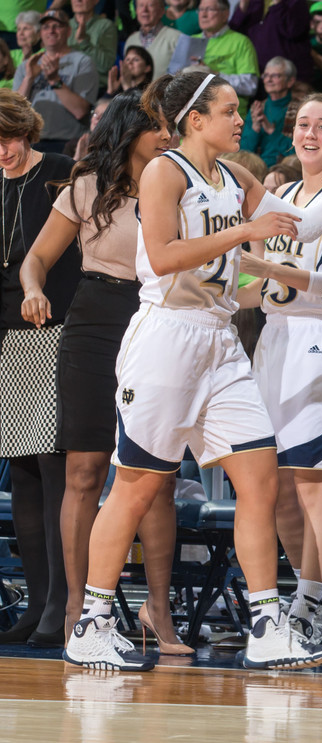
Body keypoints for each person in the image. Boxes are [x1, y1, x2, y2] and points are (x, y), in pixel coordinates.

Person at [61, 70, 322, 671]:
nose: (242, 121)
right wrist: (244, 232)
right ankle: (93, 619)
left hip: (221, 341)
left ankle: (267, 624)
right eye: (231, 111)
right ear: (195, 119)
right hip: (166, 339)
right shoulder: (164, 172)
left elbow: (305, 226)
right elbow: (161, 256)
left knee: (260, 479)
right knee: (135, 487)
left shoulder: (237, 175)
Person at [18, 89, 189, 653]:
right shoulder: (85, 187)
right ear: (130, 131)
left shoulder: (181, 184)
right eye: (158, 128)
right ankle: (76, 609)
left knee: (153, 479)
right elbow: (37, 258)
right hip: (92, 322)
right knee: (84, 473)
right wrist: (34, 289)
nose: (168, 136)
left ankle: (157, 610)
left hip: (157, 319)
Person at [235, 93, 322, 645]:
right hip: (274, 341)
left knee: (314, 485)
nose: (309, 133)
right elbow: (260, 285)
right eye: (302, 124)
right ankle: (303, 598)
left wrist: (270, 268)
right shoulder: (282, 196)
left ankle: (311, 605)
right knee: (276, 489)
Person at [0, 89, 79, 647]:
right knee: (23, 473)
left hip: (52, 330)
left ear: (25, 131)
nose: (1, 152)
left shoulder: (59, 172)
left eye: (7, 139)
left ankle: (61, 602)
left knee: (53, 469)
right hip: (6, 337)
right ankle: (34, 598)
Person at [13, 9, 98, 154]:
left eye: (57, 26)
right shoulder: (28, 65)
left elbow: (80, 111)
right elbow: (15, 110)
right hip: (32, 143)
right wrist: (28, 79)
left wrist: (54, 80)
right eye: (46, 27)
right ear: (40, 33)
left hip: (67, 143)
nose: (51, 31)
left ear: (69, 31)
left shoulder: (82, 62)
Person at [229, 0, 312, 84]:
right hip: (259, 77)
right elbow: (234, 36)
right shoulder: (252, 3)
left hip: (288, 79)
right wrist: (243, 7)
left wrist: (278, 4)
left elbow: (293, 31)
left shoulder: (295, 2)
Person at [240, 57, 296, 168]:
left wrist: (272, 131)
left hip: (286, 171)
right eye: (266, 75)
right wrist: (255, 129)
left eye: (275, 76)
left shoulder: (300, 110)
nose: (268, 80)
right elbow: (244, 151)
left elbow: (299, 152)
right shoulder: (257, 108)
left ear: (290, 81)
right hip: (256, 170)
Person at [124, 0, 183, 79]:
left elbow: (183, 74)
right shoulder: (131, 40)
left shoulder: (176, 37)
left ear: (162, 11)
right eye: (141, 5)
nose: (145, 10)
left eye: (150, 5)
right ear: (136, 11)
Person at [67, 0, 116, 81]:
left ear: (96, 1)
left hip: (96, 87)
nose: (78, 0)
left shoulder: (106, 26)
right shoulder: (62, 26)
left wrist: (84, 42)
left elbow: (106, 66)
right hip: (66, 85)